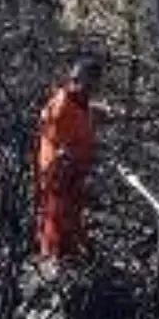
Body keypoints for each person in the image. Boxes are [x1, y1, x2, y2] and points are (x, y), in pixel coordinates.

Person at [35, 56, 103, 262]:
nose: (87, 87)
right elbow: (59, 147)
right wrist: (68, 168)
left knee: (72, 220)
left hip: (74, 175)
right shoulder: (62, 106)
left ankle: (69, 260)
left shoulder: (81, 103)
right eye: (81, 81)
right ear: (74, 78)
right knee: (56, 223)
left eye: (92, 83)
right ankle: (54, 265)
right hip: (59, 176)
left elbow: (81, 134)